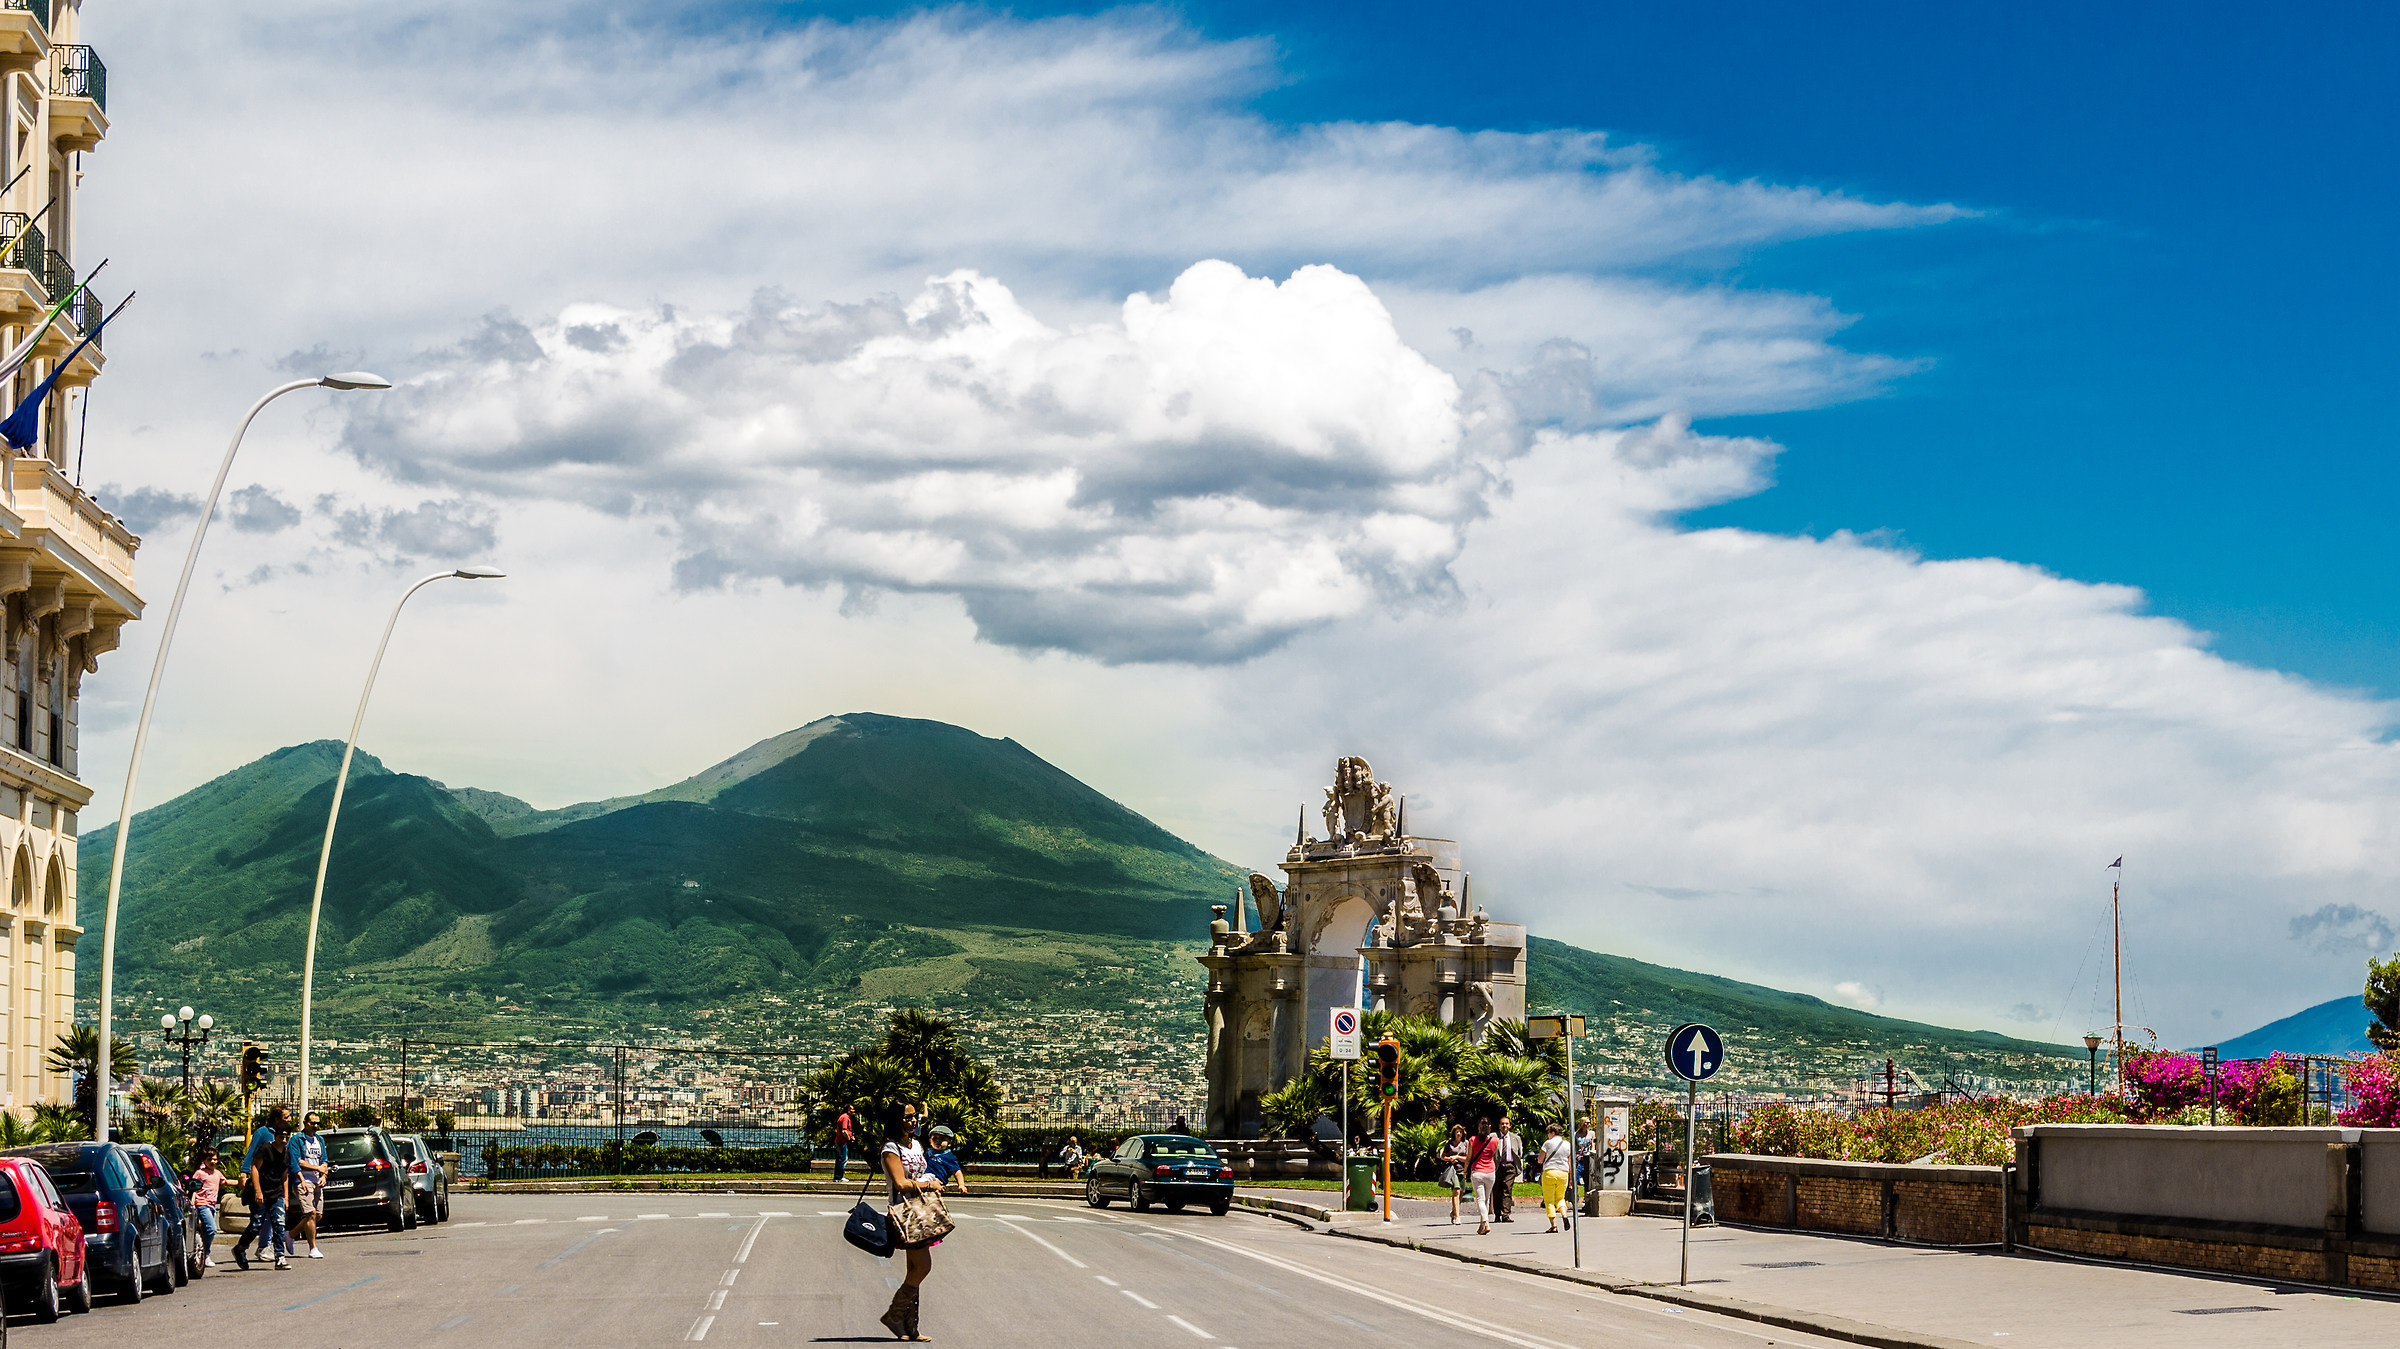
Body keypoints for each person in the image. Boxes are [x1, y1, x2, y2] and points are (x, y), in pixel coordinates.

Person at [878, 1103, 943, 1342]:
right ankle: (895, 1315)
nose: (913, 1121)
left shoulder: (915, 1144)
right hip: (905, 1213)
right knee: (923, 1267)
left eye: (914, 1116)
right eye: (907, 1117)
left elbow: (918, 1173)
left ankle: (910, 1327)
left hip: (921, 1210)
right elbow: (900, 1183)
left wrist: (929, 1180)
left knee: (913, 1270)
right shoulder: (890, 1148)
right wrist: (928, 1185)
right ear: (896, 1120)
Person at [232, 1104, 293, 1270]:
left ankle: (279, 1257)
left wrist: (286, 1196)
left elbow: (285, 1174)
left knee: (279, 1223)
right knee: (256, 1223)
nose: (284, 1140)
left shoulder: (286, 1151)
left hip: (277, 1192)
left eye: (287, 1137)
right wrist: (247, 1178)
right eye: (281, 1137)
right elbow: (253, 1162)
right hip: (262, 1191)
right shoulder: (264, 1141)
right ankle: (241, 1248)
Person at [289, 1112, 330, 1259]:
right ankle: (313, 1248)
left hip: (317, 1181)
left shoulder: (319, 1140)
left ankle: (291, 1234)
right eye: (312, 1123)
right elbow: (297, 1161)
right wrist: (316, 1169)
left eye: (318, 1123)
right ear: (305, 1123)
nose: (315, 1126)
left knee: (317, 1215)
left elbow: (324, 1160)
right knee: (310, 1214)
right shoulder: (297, 1140)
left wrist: (323, 1175)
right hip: (303, 1181)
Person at [187, 1153, 225, 1268]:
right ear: (204, 1160)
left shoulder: (217, 1173)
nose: (213, 1162)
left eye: (215, 1159)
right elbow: (191, 1185)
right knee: (212, 1229)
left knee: (205, 1230)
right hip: (202, 1204)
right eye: (210, 1159)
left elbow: (225, 1182)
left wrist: (244, 1182)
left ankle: (200, 1253)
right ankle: (205, 1254)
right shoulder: (200, 1173)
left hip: (212, 1206)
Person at [1466, 1116, 1500, 1235]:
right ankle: (1482, 1225)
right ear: (1490, 1127)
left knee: (1480, 1199)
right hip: (1490, 1172)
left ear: (1478, 1127)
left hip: (1477, 1171)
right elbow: (1494, 1155)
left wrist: (1465, 1170)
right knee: (1486, 1199)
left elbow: (1469, 1157)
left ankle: (1486, 1222)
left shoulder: (1472, 1140)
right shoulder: (1495, 1141)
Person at [1539, 1121, 1574, 1233]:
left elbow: (1540, 1160)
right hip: (1563, 1173)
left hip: (1549, 1172)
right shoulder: (1568, 1145)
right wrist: (1571, 1178)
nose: (1548, 1135)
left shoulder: (1547, 1143)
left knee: (1549, 1200)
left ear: (1552, 1132)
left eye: (1548, 1133)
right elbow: (1570, 1163)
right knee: (1560, 1198)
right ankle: (1564, 1215)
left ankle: (1553, 1225)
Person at [923, 1125, 969, 1195]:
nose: (938, 1140)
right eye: (935, 1138)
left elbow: (956, 1171)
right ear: (930, 1141)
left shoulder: (949, 1157)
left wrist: (961, 1185)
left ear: (949, 1143)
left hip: (937, 1180)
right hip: (924, 1177)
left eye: (942, 1138)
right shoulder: (927, 1151)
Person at [1439, 1124, 1470, 1225]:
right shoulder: (1449, 1143)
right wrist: (1450, 1159)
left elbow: (1468, 1158)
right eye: (1457, 1132)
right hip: (1453, 1170)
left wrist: (1457, 1157)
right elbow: (1443, 1156)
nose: (1459, 1134)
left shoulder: (1466, 1143)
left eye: (1460, 1132)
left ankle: (1453, 1212)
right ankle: (1457, 1217)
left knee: (1461, 1193)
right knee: (1456, 1191)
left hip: (1462, 1170)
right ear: (1454, 1133)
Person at [1492, 1114, 1522, 1222]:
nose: (1504, 1125)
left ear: (1510, 1125)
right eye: (1502, 1124)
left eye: (1506, 1123)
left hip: (1510, 1166)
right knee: (1497, 1191)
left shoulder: (1516, 1138)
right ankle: (1497, 1214)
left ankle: (1506, 1214)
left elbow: (1519, 1152)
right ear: (1499, 1125)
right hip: (1497, 1166)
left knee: (1507, 1189)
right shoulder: (1493, 1137)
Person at [833, 1105, 855, 1184]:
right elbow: (844, 1130)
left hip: (839, 1140)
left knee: (840, 1159)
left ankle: (837, 1177)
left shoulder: (843, 1117)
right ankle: (839, 1177)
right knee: (842, 1159)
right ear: (848, 1110)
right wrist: (849, 1139)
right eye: (852, 1109)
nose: (853, 1111)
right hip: (842, 1141)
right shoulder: (845, 1118)